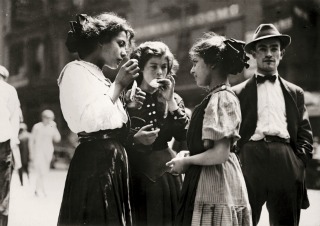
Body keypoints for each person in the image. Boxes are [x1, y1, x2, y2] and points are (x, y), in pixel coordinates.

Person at [57, 13, 144, 226]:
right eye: (120, 43)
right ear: (100, 40)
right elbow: (88, 121)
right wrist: (119, 85)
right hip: (94, 163)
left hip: (110, 162)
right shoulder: (74, 71)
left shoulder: (101, 78)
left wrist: (127, 106)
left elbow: (110, 122)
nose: (124, 52)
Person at [166, 32, 252, 226]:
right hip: (207, 178)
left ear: (212, 64)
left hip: (216, 183)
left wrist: (186, 161)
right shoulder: (215, 97)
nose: (192, 70)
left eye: (196, 62)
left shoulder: (222, 97)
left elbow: (220, 154)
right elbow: (205, 144)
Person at [232, 24, 314, 226]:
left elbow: (305, 132)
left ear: (281, 53)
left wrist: (298, 162)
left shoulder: (295, 92)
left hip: (285, 160)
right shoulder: (237, 92)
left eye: (274, 48)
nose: (269, 54)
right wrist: (240, 159)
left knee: (286, 221)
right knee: (244, 221)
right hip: (250, 159)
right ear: (253, 53)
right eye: (262, 49)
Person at [125, 41, 189, 226]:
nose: (160, 72)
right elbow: (114, 134)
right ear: (141, 68)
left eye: (164, 67)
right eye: (153, 66)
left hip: (165, 172)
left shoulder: (174, 99)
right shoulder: (127, 96)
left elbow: (183, 134)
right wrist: (134, 138)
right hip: (135, 171)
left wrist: (171, 102)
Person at [0, 65, 21, 226]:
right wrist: (14, 142)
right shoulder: (9, 90)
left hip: (4, 143)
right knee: (3, 190)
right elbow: (15, 120)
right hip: (4, 143)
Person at [29, 109, 61, 196]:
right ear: (43, 117)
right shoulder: (37, 127)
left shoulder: (52, 126)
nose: (49, 119)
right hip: (38, 151)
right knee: (41, 171)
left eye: (51, 117)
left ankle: (38, 189)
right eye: (47, 117)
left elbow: (57, 138)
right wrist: (31, 153)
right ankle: (42, 190)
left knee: (45, 171)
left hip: (48, 151)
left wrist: (55, 127)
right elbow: (31, 141)